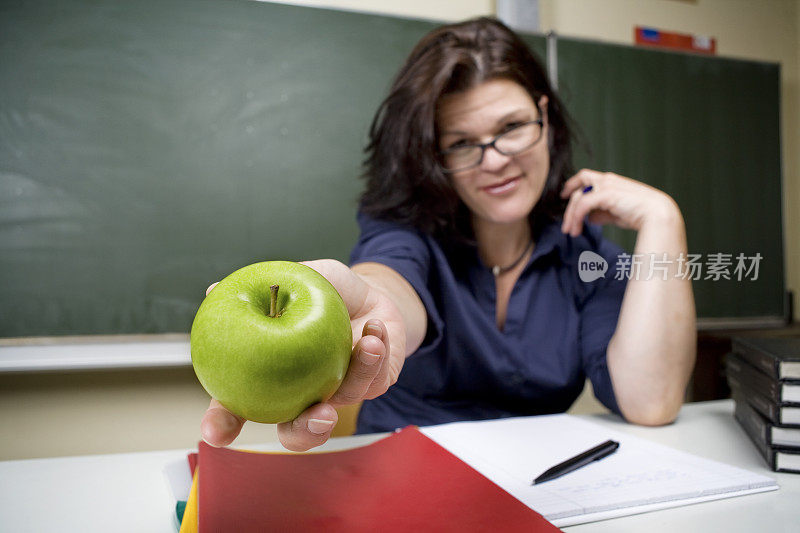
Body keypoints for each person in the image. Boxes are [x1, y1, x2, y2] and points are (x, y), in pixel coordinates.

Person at [200, 17, 696, 451]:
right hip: (401, 487)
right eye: (461, 144)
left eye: (513, 126)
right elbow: (389, 281)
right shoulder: (405, 232)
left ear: (545, 117)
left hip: (537, 493)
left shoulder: (585, 254)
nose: (496, 158)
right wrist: (371, 307)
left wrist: (663, 219)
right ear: (433, 158)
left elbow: (651, 402)